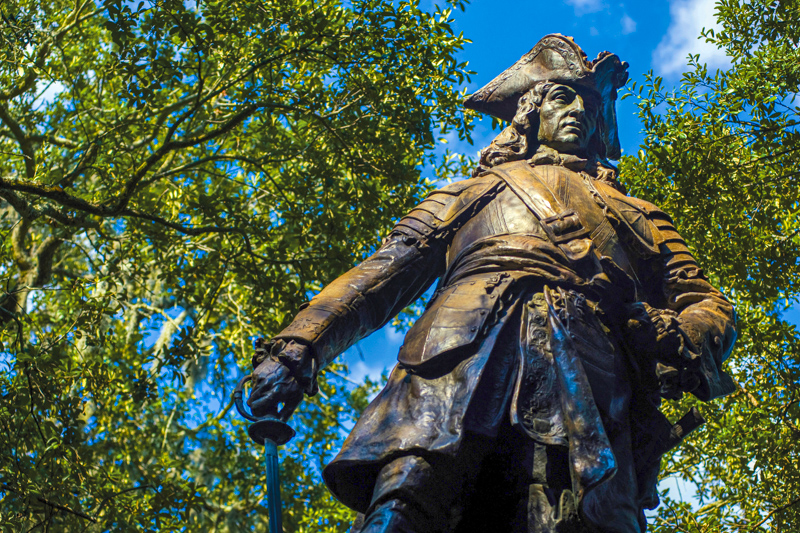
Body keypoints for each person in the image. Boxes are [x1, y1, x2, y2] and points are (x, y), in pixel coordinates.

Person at [247, 34, 737, 533]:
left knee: (576, 518)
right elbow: (382, 273)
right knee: (404, 506)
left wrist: (682, 336)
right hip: (455, 360)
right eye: (562, 97)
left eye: (589, 106)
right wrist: (298, 347)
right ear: (530, 111)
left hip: (590, 380)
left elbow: (705, 301)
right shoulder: (466, 195)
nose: (578, 112)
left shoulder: (641, 215)